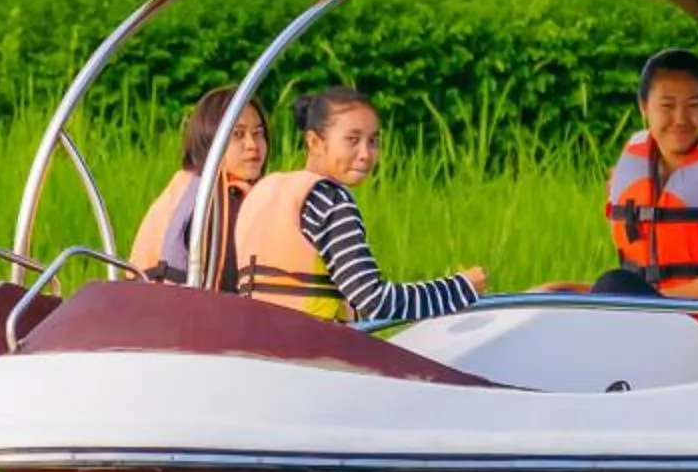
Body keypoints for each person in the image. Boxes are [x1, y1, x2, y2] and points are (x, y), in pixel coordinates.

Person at [233, 85, 488, 322]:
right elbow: (374, 301)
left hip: (255, 350)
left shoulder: (262, 191)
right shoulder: (329, 199)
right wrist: (459, 289)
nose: (366, 154)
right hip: (307, 354)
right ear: (315, 142)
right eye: (352, 140)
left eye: (373, 141)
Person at [588, 49, 698, 318]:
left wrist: (648, 302)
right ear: (644, 107)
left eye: (694, 105)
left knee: (612, 286)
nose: (680, 119)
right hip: (650, 314)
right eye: (667, 106)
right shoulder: (628, 172)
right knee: (551, 293)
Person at [129, 85, 270, 284]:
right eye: (238, 134)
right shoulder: (204, 199)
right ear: (210, 139)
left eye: (258, 133)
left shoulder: (202, 190)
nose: (252, 145)